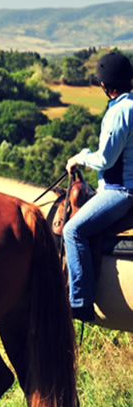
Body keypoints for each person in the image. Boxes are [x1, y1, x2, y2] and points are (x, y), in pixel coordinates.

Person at [63, 51, 133, 322]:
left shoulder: (120, 112)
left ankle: (80, 301)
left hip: (120, 191)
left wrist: (80, 157)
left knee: (73, 230)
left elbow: (105, 159)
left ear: (105, 85)